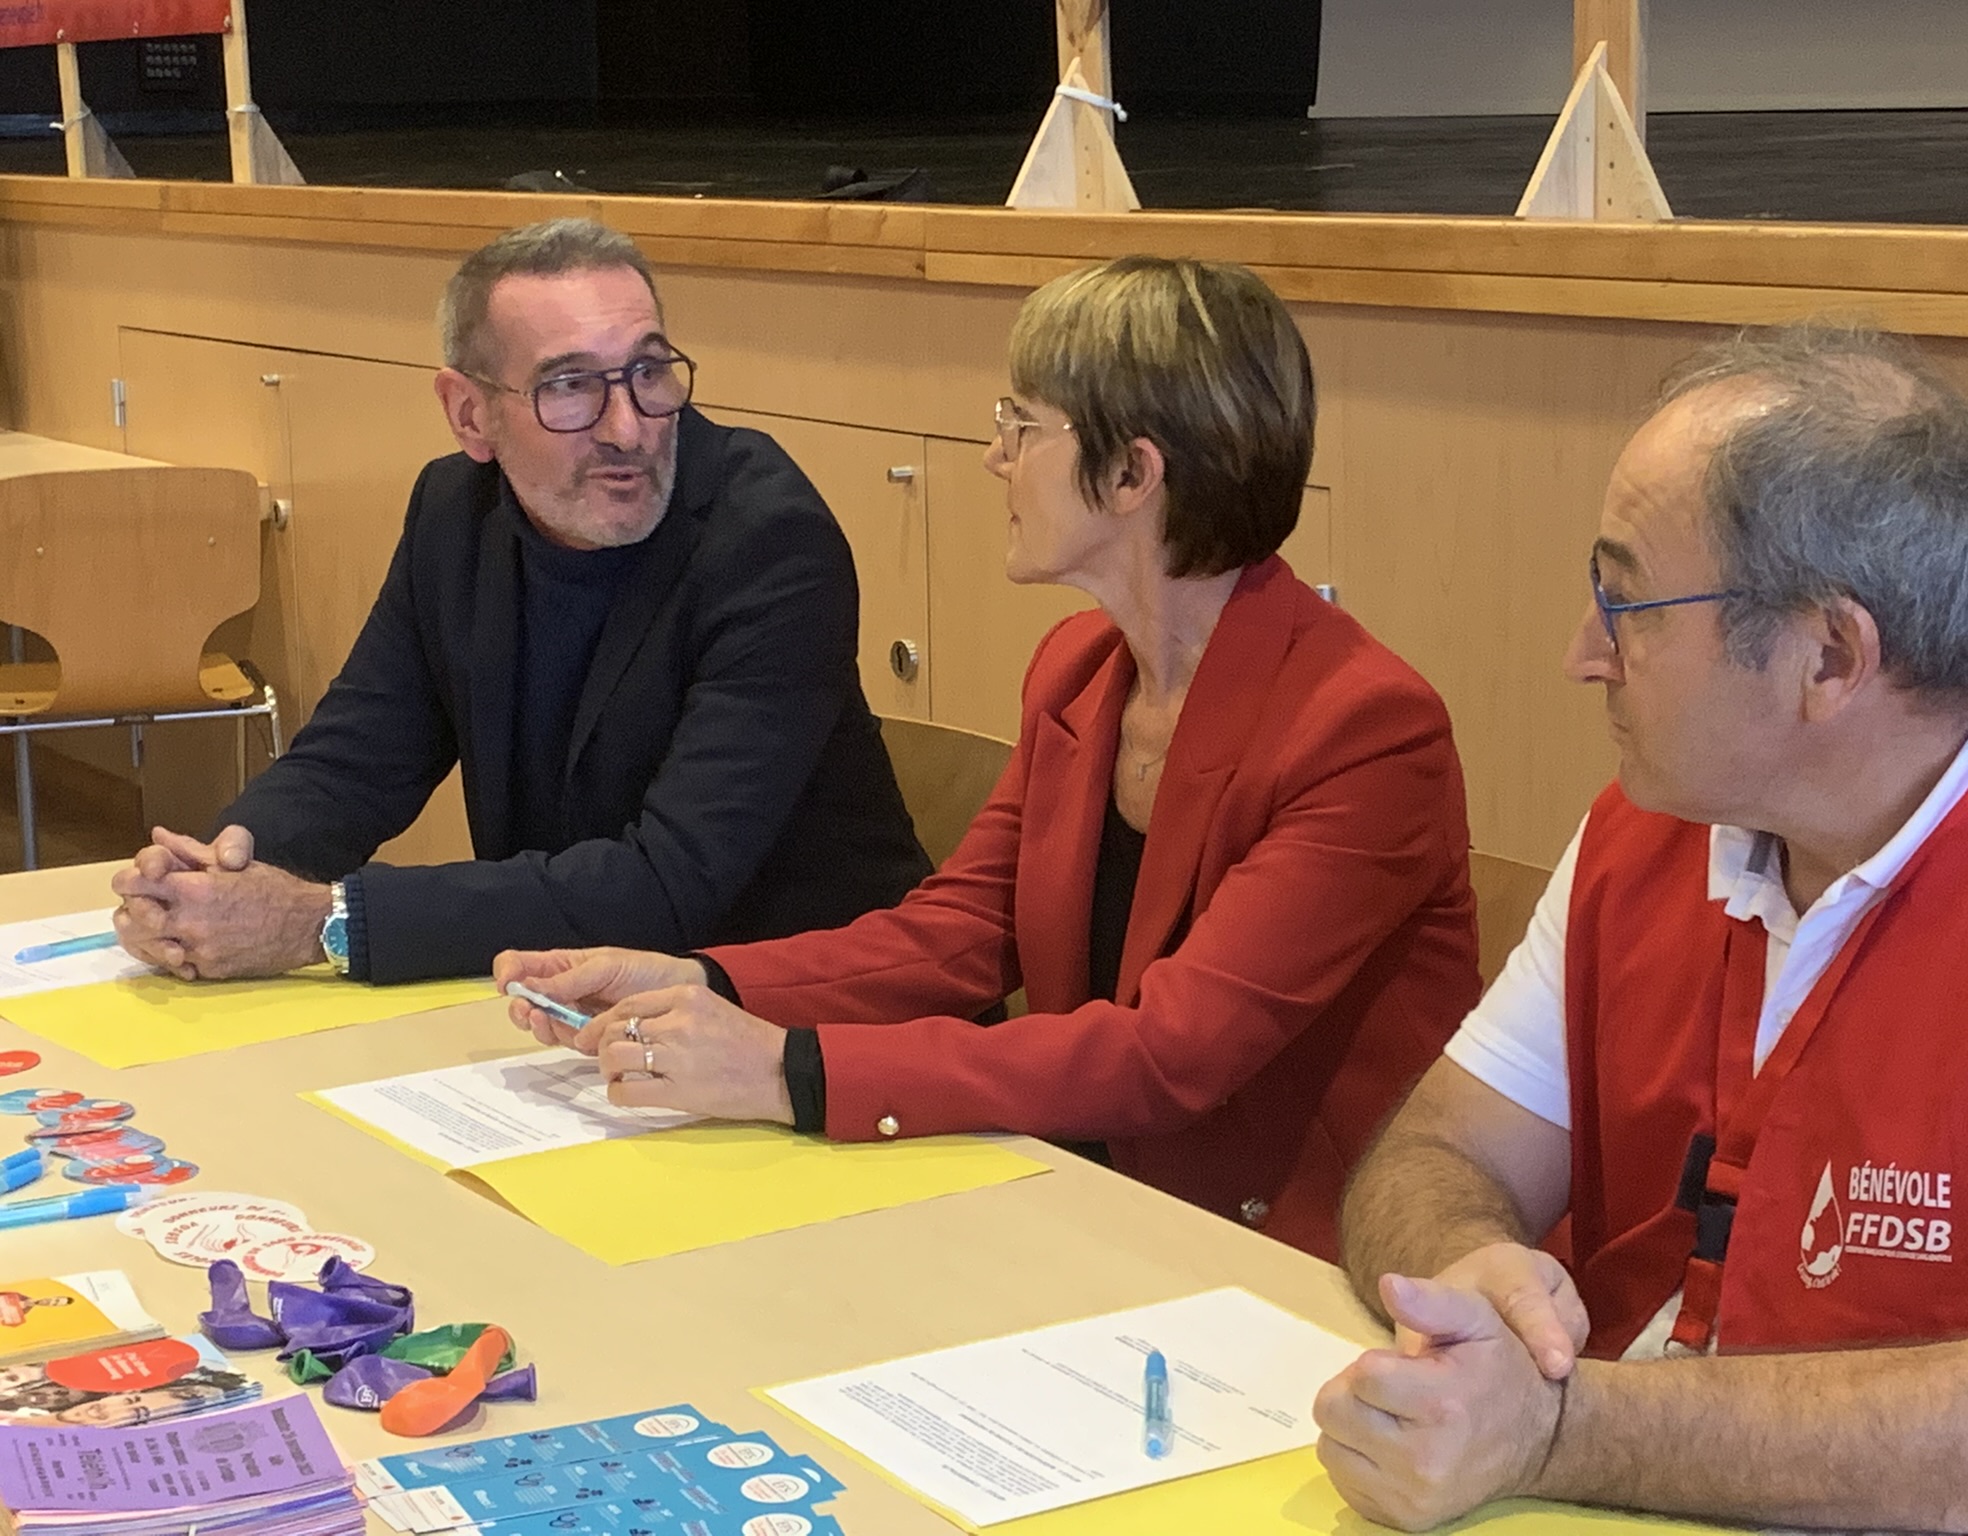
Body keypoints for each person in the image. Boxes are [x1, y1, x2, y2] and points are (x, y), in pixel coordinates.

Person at [496, 256, 1481, 1260]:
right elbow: (957, 934)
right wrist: (698, 978)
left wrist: (792, 1070)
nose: (990, 458)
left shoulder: (1363, 729)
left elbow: (1170, 1055)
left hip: (1289, 1264)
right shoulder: (1078, 671)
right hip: (1082, 1205)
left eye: (1020, 427)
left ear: (1132, 474)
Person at [1312, 326, 1968, 1531]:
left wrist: (1555, 1427)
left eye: (1628, 603)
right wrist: (1471, 1269)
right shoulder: (1650, 823)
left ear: (1827, 655)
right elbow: (1435, 1154)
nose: (1582, 655)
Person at [108, 218, 929, 985]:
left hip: (793, 1017)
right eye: (570, 386)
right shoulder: (453, 515)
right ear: (470, 414)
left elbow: (669, 883)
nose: (629, 427)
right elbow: (355, 761)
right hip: (583, 1014)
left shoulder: (768, 540)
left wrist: (327, 921)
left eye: (647, 372)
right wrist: (216, 869)